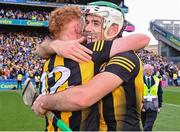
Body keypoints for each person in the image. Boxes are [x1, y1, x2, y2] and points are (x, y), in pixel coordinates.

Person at [32, 1, 150, 131]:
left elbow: (82, 97)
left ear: (113, 29)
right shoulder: (92, 53)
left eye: (95, 23)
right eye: (87, 22)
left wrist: (44, 101)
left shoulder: (126, 57)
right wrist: (55, 45)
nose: (87, 29)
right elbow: (39, 50)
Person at [141, 64, 163, 131]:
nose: (152, 71)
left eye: (152, 69)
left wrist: (159, 106)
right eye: (150, 69)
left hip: (154, 106)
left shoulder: (157, 79)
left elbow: (160, 92)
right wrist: (140, 105)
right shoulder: (139, 80)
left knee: (148, 126)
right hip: (143, 106)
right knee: (145, 125)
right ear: (145, 70)